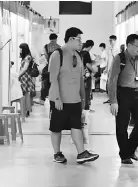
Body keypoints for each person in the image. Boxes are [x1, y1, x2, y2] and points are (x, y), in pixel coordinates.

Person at [48, 27, 99, 164]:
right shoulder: (57, 54)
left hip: (75, 100)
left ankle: (81, 153)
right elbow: (53, 78)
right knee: (56, 127)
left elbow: (81, 79)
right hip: (59, 100)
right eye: (79, 39)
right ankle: (57, 153)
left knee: (77, 126)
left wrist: (83, 98)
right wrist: (57, 98)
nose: (81, 42)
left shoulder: (78, 55)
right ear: (71, 39)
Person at [108, 34, 138, 164]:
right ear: (129, 45)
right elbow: (112, 80)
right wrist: (113, 101)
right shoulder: (119, 58)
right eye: (136, 46)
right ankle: (125, 155)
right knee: (122, 125)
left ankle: (129, 149)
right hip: (124, 93)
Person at [77, 40, 97, 151]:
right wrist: (95, 69)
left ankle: (83, 111)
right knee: (86, 93)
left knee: (82, 95)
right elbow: (89, 65)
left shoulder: (78, 53)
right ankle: (85, 112)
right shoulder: (86, 53)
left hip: (80, 78)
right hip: (86, 78)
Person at [18, 43, 39, 117]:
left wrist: (19, 75)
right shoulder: (26, 57)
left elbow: (25, 68)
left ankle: (26, 110)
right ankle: (26, 110)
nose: (20, 50)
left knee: (25, 94)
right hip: (24, 77)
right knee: (25, 94)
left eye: (21, 48)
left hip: (25, 77)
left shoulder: (28, 57)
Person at [40, 34, 61, 105]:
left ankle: (42, 99)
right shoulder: (59, 47)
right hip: (56, 68)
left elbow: (45, 56)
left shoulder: (46, 46)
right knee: (55, 83)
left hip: (48, 67)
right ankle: (56, 98)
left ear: (49, 39)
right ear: (56, 39)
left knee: (45, 84)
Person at [103, 35, 120, 104]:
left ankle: (114, 100)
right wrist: (106, 68)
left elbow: (117, 60)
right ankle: (110, 98)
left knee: (114, 84)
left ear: (115, 41)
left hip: (114, 69)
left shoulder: (117, 50)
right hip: (110, 69)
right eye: (109, 40)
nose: (110, 42)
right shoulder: (109, 49)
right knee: (109, 85)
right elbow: (108, 60)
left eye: (111, 40)